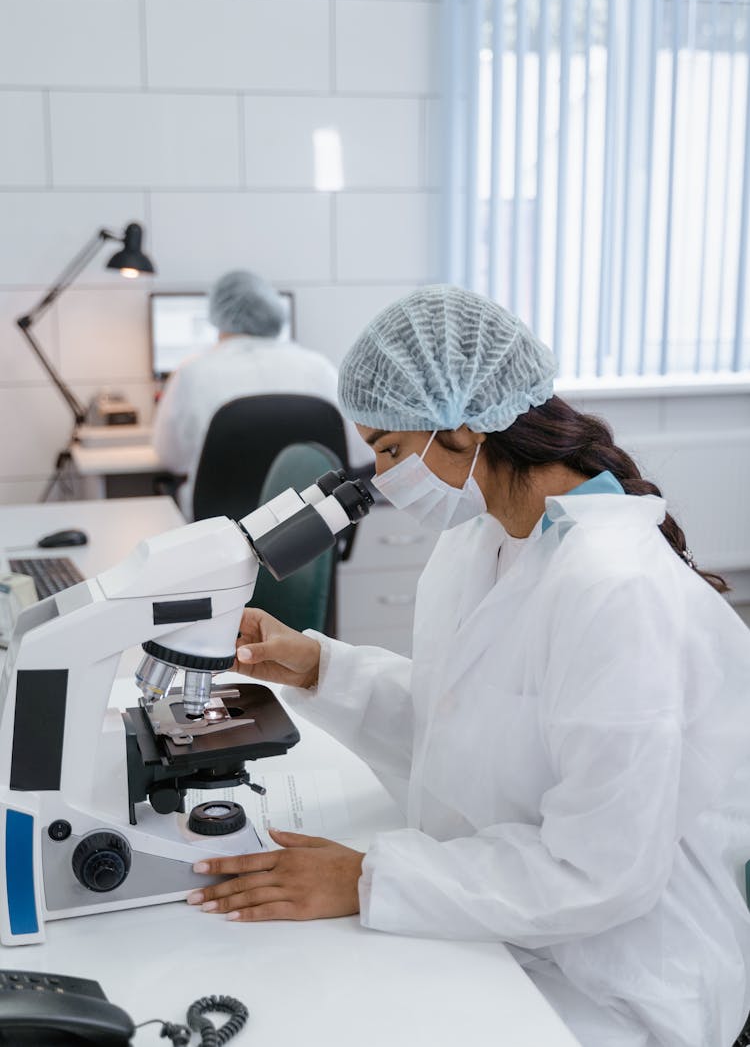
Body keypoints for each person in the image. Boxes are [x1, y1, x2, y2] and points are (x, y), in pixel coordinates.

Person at [186, 286, 750, 1047]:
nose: (380, 478)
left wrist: (367, 878)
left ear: (460, 426)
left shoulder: (617, 589)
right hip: (502, 921)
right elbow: (460, 718)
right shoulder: (479, 540)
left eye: (388, 448)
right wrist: (318, 665)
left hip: (616, 981)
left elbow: (602, 873)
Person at [152, 269, 368, 517]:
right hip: (310, 528)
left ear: (216, 315)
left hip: (220, 531)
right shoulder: (318, 367)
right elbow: (358, 451)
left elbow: (171, 458)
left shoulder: (192, 371)